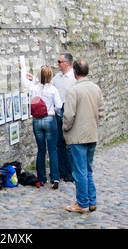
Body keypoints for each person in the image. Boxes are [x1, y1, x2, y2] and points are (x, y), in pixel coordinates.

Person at [63, 58, 104, 213]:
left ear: (74, 72)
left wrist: (65, 129)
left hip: (77, 136)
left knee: (79, 171)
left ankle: (82, 203)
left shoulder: (74, 90)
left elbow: (68, 115)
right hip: (91, 134)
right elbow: (101, 111)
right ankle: (91, 201)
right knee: (87, 170)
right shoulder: (96, 89)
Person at [20, 63, 63, 189]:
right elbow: (59, 105)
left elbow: (25, 82)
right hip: (49, 119)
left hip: (37, 120)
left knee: (41, 150)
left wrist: (23, 69)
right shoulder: (53, 90)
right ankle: (55, 177)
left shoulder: (34, 87)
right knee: (53, 149)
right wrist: (52, 110)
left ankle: (42, 178)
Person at [51, 53, 77, 183]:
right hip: (58, 111)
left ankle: (70, 172)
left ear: (67, 63)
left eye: (59, 61)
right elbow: (49, 88)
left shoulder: (74, 77)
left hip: (69, 111)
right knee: (58, 142)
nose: (58, 64)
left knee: (69, 144)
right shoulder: (57, 77)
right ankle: (61, 170)